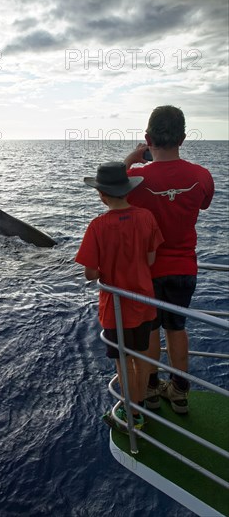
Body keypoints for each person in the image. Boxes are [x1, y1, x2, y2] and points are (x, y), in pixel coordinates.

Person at [125, 105, 215, 414]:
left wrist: (133, 158)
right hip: (185, 269)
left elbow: (108, 191)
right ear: (184, 138)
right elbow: (203, 204)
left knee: (150, 329)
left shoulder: (136, 177)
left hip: (148, 270)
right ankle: (179, 392)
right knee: (176, 328)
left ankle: (150, 390)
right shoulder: (201, 176)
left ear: (148, 139)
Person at [75, 162, 164, 430]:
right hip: (144, 303)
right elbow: (150, 258)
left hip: (116, 309)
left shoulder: (97, 226)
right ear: (128, 190)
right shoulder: (147, 217)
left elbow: (90, 274)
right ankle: (139, 407)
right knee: (139, 358)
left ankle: (131, 414)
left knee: (122, 363)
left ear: (101, 194)